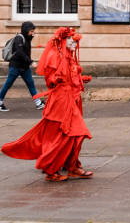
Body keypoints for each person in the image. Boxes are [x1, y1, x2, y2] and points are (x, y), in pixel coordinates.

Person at [1, 27, 92, 182]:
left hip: (70, 99)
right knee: (65, 134)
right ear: (63, 40)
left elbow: (69, 76)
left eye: (75, 41)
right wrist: (56, 80)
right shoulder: (54, 56)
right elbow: (50, 80)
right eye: (72, 40)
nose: (74, 44)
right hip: (61, 102)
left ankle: (71, 166)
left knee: (75, 134)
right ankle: (51, 167)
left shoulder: (67, 55)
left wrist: (80, 79)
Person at [0, 21, 44, 111]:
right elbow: (20, 53)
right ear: (26, 30)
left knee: (31, 84)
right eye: (31, 31)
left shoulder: (27, 38)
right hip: (15, 67)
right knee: (8, 84)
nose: (33, 33)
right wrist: (31, 62)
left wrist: (30, 37)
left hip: (24, 67)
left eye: (33, 31)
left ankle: (38, 103)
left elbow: (26, 52)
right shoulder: (19, 38)